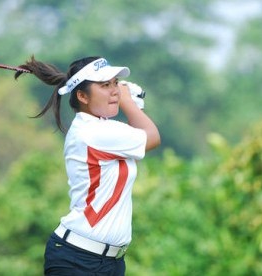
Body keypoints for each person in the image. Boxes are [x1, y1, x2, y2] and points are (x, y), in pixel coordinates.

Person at [15, 56, 161, 275]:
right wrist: (129, 102)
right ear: (82, 96)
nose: (114, 90)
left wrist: (129, 102)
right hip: (77, 260)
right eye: (105, 85)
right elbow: (152, 137)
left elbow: (139, 131)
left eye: (115, 83)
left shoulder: (104, 129)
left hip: (111, 263)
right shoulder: (94, 132)